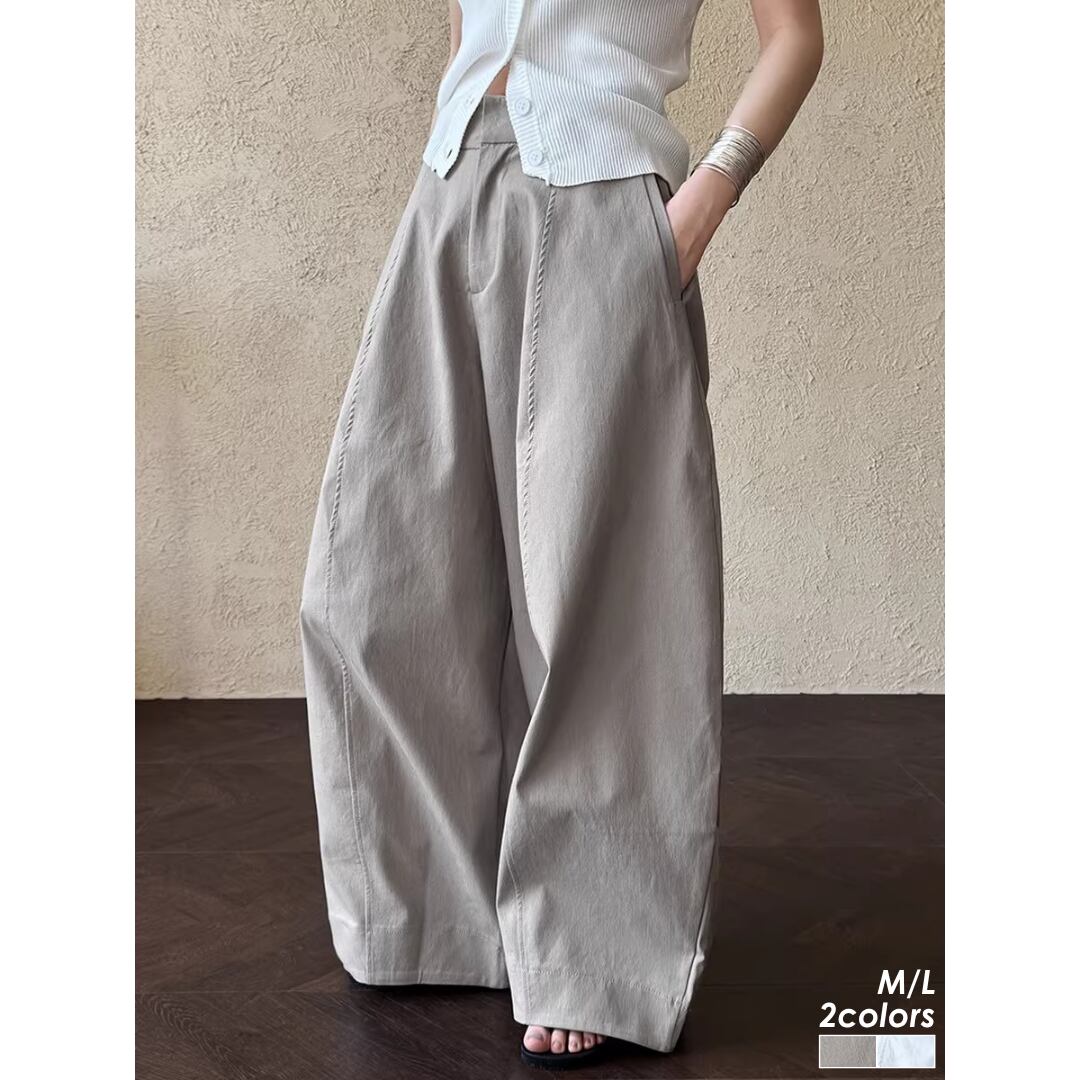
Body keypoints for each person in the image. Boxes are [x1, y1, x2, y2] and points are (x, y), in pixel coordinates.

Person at [300, 0, 823, 1068]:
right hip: (452, 190)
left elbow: (796, 39)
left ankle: (596, 949)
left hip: (603, 197)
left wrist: (700, 204)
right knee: (376, 582)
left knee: (600, 597)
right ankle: (439, 914)